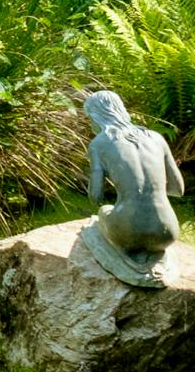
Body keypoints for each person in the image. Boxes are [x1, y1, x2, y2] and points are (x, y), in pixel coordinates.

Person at [78, 88, 183, 286]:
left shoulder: (98, 144)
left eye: (89, 118)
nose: (90, 124)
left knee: (104, 210)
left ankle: (127, 257)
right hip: (167, 231)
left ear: (96, 117)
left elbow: (95, 197)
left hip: (127, 233)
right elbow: (178, 190)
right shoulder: (156, 138)